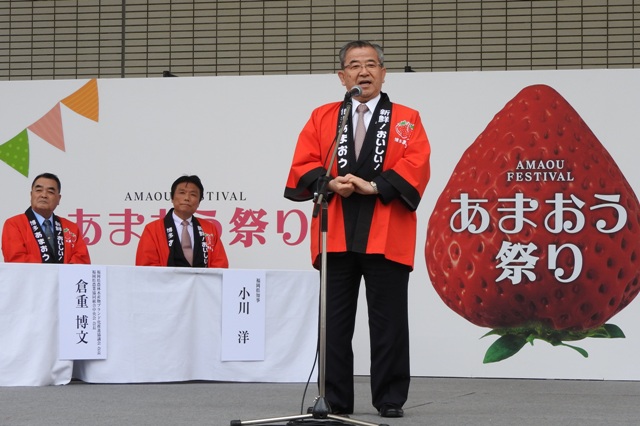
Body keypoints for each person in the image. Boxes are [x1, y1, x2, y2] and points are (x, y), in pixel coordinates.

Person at [284, 41, 431, 418]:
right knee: (333, 322)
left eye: (370, 65)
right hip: (335, 232)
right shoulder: (323, 117)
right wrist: (329, 182)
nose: (362, 72)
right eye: (353, 66)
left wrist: (376, 186)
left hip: (387, 231)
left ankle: (390, 398)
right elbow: (305, 162)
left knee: (389, 321)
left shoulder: (406, 118)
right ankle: (333, 399)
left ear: (384, 72)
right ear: (341, 76)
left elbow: (418, 163)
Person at [135, 175, 229, 268]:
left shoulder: (209, 228)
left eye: (193, 194)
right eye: (182, 192)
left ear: (199, 202)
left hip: (202, 283)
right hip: (166, 283)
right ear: (172, 197)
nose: (187, 198)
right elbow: (146, 266)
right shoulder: (152, 229)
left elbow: (220, 265)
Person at [2, 172, 91, 264]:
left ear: (58, 199)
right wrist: (51, 273)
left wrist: (61, 275)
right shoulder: (14, 224)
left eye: (50, 192)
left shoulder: (71, 228)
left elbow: (82, 261)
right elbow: (15, 259)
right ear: (31, 195)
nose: (44, 195)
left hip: (66, 278)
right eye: (39, 190)